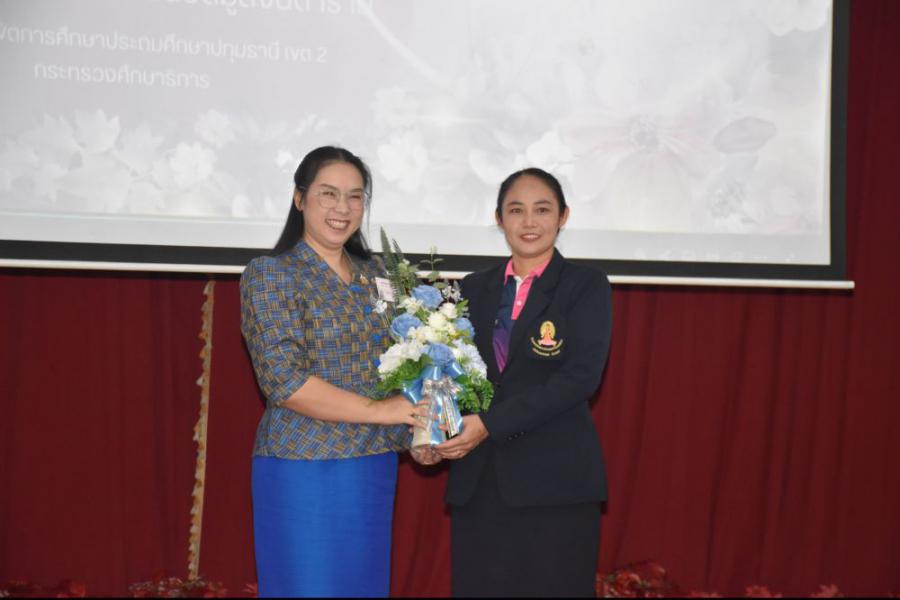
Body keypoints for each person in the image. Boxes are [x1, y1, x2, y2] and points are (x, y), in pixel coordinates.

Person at [240, 146, 426, 598]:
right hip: (305, 465)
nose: (342, 208)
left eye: (355, 196)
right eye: (328, 194)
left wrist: (424, 430)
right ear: (299, 199)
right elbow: (284, 380)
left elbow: (412, 361)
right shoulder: (271, 274)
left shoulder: (381, 274)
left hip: (373, 464)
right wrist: (382, 411)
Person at [424, 167, 613, 597]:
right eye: (516, 210)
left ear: (563, 216)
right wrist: (435, 433)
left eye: (542, 210)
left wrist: (488, 424)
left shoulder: (585, 286)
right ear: (499, 218)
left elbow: (580, 378)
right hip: (479, 483)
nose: (529, 222)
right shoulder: (473, 288)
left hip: (556, 484)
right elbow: (447, 368)